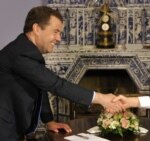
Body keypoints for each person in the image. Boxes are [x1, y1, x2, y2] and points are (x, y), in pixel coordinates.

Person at [0, 6, 122, 140]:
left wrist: (49, 121)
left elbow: (41, 86)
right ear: (36, 29)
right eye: (55, 31)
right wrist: (101, 98)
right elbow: (56, 84)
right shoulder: (20, 54)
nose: (59, 38)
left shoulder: (26, 51)